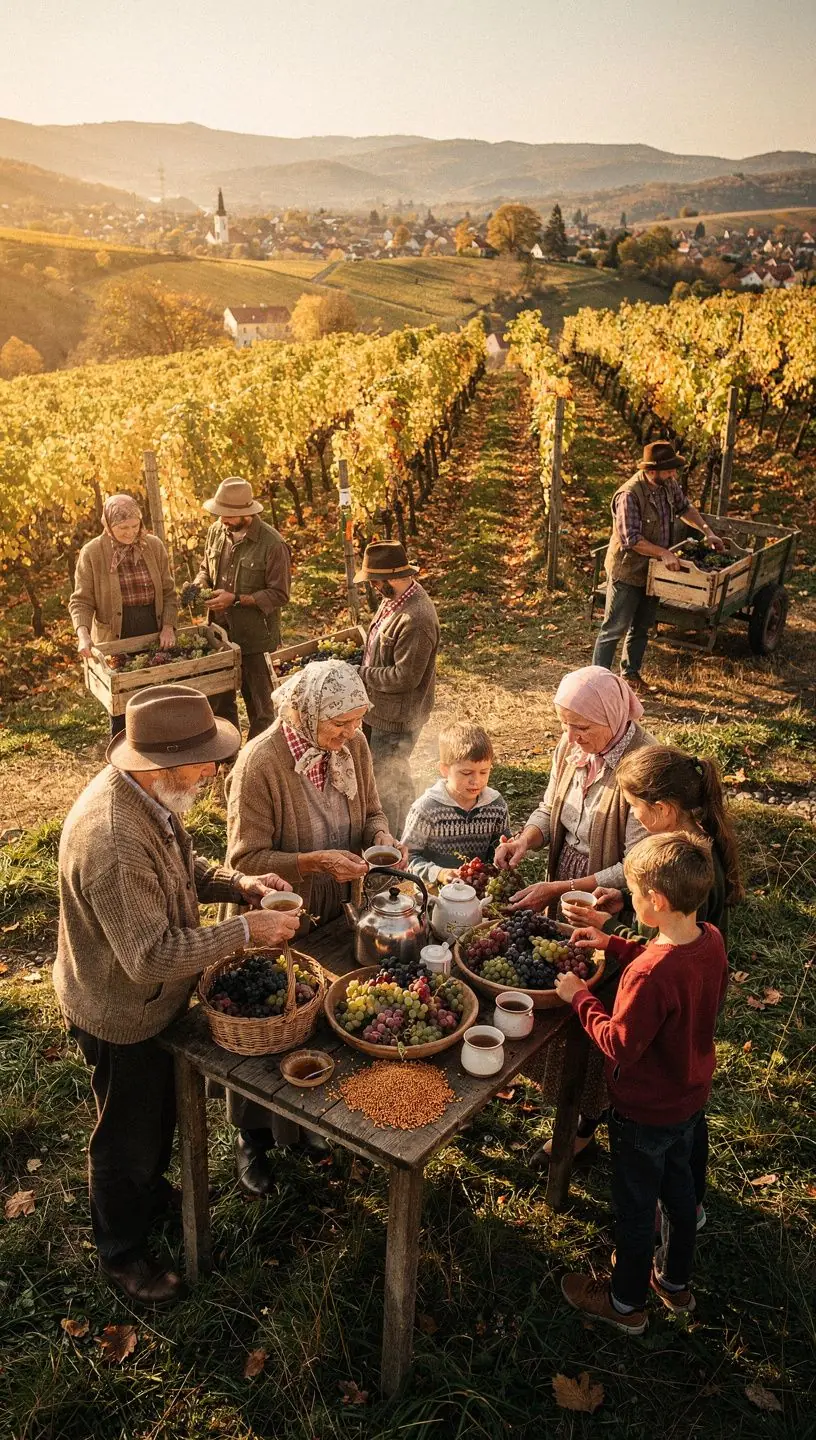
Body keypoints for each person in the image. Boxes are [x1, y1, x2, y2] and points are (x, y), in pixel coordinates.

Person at [54, 684, 301, 1306]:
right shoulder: (112, 839)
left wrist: (239, 883)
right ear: (162, 766)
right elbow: (149, 957)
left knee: (158, 1111)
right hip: (121, 1010)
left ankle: (151, 1190)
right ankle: (122, 1250)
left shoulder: (151, 801)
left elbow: (182, 871)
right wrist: (247, 929)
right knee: (126, 1135)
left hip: (156, 1001)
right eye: (205, 759)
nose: (215, 769)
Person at [225, 659, 406, 1194]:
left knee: (317, 1018)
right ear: (305, 714)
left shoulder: (353, 746)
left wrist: (382, 836)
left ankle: (307, 1126)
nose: (350, 735)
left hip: (334, 907)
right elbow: (244, 857)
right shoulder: (260, 764)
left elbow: (372, 810)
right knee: (268, 1023)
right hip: (277, 913)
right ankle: (252, 1139)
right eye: (339, 725)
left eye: (355, 723)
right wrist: (312, 863)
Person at [560, 743, 743, 1225]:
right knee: (686, 1130)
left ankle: (638, 1267)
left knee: (645, 1175)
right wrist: (621, 907)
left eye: (636, 810)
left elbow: (662, 957)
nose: (635, 818)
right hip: (691, 1052)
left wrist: (584, 990)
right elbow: (674, 934)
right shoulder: (689, 857)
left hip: (657, 1062)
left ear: (660, 810)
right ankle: (688, 1205)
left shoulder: (654, 971)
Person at [556, 833, 728, 1334]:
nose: (629, 902)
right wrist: (614, 942)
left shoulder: (649, 975)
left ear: (656, 901)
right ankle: (675, 1284)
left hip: (642, 1112)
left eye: (632, 894)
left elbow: (619, 1044)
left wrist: (578, 997)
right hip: (688, 1099)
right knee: (679, 1193)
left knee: (635, 1209)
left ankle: (624, 1302)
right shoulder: (709, 939)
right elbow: (667, 962)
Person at [494, 666, 657, 1163]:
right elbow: (549, 808)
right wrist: (526, 839)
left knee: (595, 1000)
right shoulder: (571, 748)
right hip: (564, 890)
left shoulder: (643, 763)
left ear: (611, 715)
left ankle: (585, 1119)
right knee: (557, 991)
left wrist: (567, 886)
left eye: (582, 728)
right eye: (564, 725)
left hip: (611, 905)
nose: (570, 738)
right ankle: (558, 1097)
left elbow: (638, 862)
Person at [591, 441, 725, 693]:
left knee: (642, 625)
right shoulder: (629, 495)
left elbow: (685, 507)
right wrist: (663, 552)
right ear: (651, 470)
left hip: (655, 572)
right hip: (628, 570)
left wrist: (707, 531)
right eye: (668, 470)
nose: (673, 474)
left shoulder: (667, 485)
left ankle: (630, 675)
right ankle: (599, 686)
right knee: (614, 628)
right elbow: (631, 539)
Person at [69, 493, 177, 736]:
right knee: (122, 703)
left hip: (152, 628)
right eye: (122, 527)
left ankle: (158, 751)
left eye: (134, 526)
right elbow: (81, 601)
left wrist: (168, 626)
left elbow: (169, 593)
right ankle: (124, 761)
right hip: (115, 635)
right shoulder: (93, 553)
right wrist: (83, 634)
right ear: (108, 525)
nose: (130, 533)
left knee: (156, 693)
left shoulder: (153, 546)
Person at [193, 476, 291, 739]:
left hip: (256, 639)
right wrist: (199, 583)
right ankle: (227, 758)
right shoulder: (217, 531)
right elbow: (205, 568)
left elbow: (279, 595)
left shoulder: (273, 544)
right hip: (219, 633)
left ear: (246, 513)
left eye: (228, 514)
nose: (222, 518)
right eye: (220, 513)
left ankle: (257, 762)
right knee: (219, 702)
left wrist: (235, 599)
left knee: (262, 707)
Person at [356, 541, 440, 837]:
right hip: (380, 709)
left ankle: (391, 842)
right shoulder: (395, 599)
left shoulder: (416, 618)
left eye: (375, 580)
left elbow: (404, 677)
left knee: (387, 783)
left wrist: (360, 674)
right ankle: (408, 832)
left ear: (392, 576)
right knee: (389, 776)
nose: (374, 587)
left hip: (397, 717)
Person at [402, 721, 510, 885]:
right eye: (466, 773)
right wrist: (439, 873)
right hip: (434, 893)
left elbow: (501, 849)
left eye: (484, 772)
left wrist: (505, 853)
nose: (476, 781)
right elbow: (407, 858)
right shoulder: (426, 809)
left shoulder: (496, 805)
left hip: (479, 891)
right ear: (444, 770)